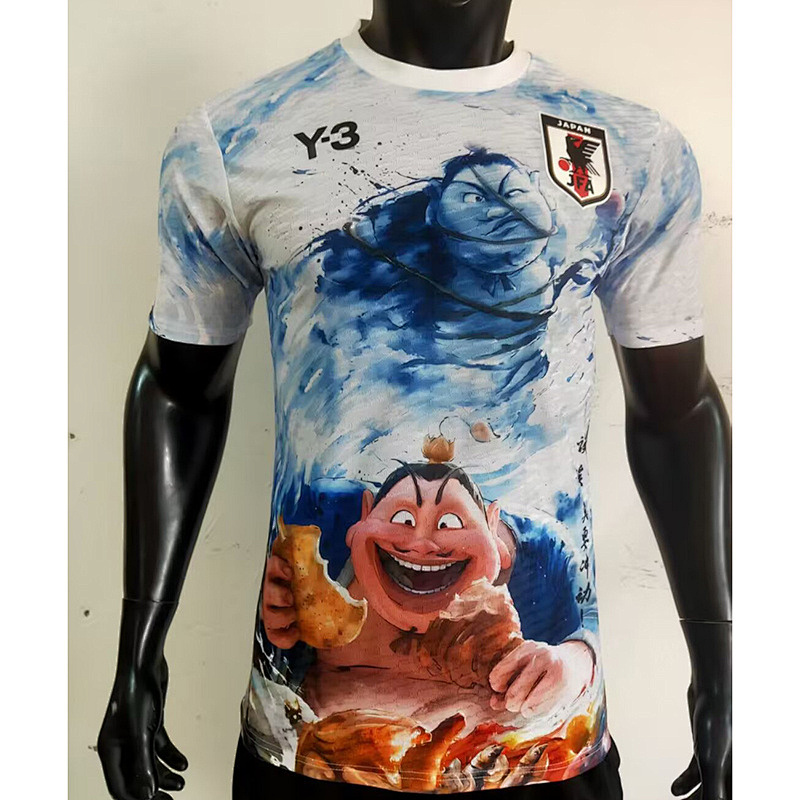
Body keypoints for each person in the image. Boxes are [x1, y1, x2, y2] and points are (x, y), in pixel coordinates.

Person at [97, 2, 731, 798]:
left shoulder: (631, 149)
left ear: (495, 530)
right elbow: (179, 389)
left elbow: (677, 411)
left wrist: (720, 660)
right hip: (305, 756)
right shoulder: (239, 138)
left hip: (545, 760)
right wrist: (139, 644)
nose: (423, 537)